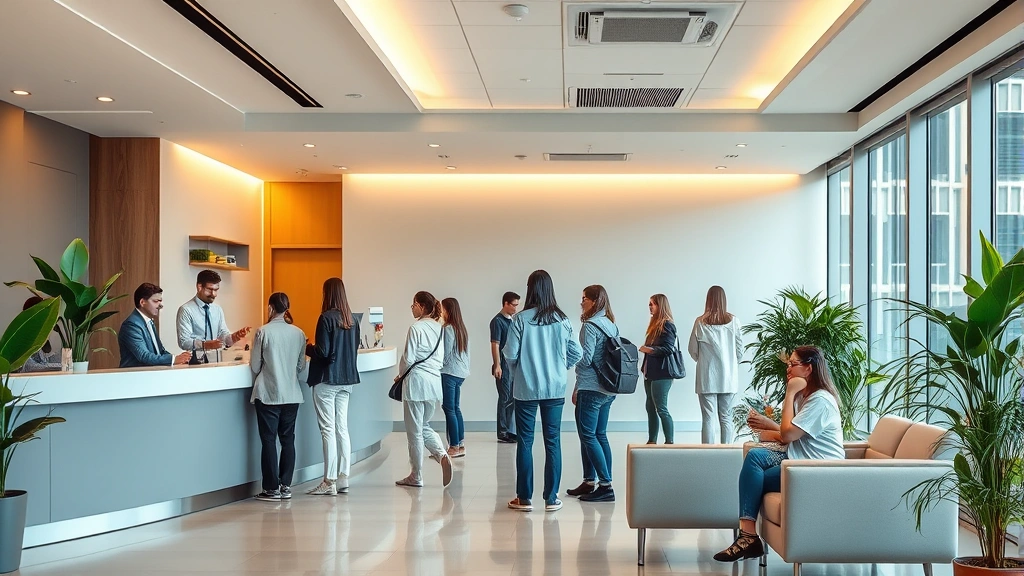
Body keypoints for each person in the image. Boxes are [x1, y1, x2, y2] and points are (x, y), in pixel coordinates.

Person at [713, 345, 845, 562]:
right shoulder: (808, 396)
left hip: (819, 469)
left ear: (809, 368)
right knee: (755, 458)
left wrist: (790, 392)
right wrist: (773, 428)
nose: (788, 369)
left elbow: (788, 434)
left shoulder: (819, 400)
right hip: (799, 460)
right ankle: (748, 537)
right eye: (788, 365)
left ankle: (747, 538)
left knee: (755, 475)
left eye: (793, 364)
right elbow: (793, 433)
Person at [503, 270, 582, 513]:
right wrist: (560, 366)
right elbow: (577, 353)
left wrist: (521, 369)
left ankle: (524, 498)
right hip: (555, 389)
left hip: (526, 388)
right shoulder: (563, 320)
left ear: (530, 289)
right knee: (553, 442)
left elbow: (509, 353)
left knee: (525, 442)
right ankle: (551, 498)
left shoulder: (520, 319)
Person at [249, 293, 307, 502]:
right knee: (288, 440)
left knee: (269, 441)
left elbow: (255, 366)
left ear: (270, 308)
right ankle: (286, 486)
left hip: (269, 394)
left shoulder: (263, 332)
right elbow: (301, 366)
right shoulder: (299, 333)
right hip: (292, 394)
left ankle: (271, 489)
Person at [306, 278, 361, 496]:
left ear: (326, 293)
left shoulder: (326, 318)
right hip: (346, 380)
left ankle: (329, 481)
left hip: (327, 380)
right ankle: (344, 477)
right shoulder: (353, 320)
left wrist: (306, 347)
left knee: (328, 429)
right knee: (342, 428)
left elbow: (323, 352)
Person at [395, 291, 453, 489]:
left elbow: (408, 358)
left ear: (421, 306)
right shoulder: (439, 328)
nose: (412, 308)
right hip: (434, 384)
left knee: (414, 432)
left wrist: (400, 374)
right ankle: (441, 454)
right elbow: (441, 357)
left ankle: (416, 475)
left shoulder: (415, 328)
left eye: (413, 304)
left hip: (416, 384)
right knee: (422, 425)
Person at [568, 285, 618, 503]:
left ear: (594, 301)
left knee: (588, 435)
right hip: (608, 388)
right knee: (599, 435)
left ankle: (605, 486)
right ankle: (590, 481)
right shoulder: (610, 325)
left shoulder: (589, 326)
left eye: (584, 299)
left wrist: (568, 356)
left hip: (590, 388)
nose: (581, 303)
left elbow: (586, 359)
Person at [688, 286, 743, 444]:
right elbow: (740, 351)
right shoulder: (734, 322)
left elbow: (692, 350)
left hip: (707, 377)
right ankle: (727, 452)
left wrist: (704, 361)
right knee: (726, 418)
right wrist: (730, 363)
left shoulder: (700, 322)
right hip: (729, 378)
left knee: (708, 418)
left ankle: (708, 454)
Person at [176, 269, 250, 363]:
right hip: (195, 365)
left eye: (216, 290)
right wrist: (206, 345)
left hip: (216, 363)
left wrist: (233, 338)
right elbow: (184, 342)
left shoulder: (217, 310)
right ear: (199, 287)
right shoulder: (186, 310)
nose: (214, 294)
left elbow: (223, 336)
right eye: (210, 289)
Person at [118, 284, 193, 368]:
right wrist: (174, 359)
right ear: (142, 302)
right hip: (134, 377)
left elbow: (160, 351)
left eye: (160, 301)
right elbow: (144, 356)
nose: (161, 305)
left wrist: (181, 359)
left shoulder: (149, 322)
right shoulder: (131, 325)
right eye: (156, 301)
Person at [638, 294, 678, 444]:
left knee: (661, 407)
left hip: (662, 373)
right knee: (650, 407)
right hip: (650, 372)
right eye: (649, 304)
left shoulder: (667, 325)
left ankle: (669, 441)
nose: (650, 307)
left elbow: (668, 349)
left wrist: (649, 350)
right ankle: (652, 441)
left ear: (660, 306)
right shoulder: (653, 325)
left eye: (652, 304)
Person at [440, 297, 470, 459]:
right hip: (460, 373)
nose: (441, 312)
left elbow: (445, 353)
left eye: (442, 309)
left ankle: (454, 446)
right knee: (455, 408)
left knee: (449, 408)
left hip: (449, 372)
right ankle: (460, 443)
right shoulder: (461, 328)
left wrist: (437, 366)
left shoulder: (448, 328)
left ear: (448, 310)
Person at [490, 291, 520, 443]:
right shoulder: (497, 321)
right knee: (504, 397)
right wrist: (497, 365)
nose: (516, 308)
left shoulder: (512, 321)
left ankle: (510, 429)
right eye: (514, 305)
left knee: (512, 398)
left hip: (512, 365)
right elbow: (495, 344)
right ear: (506, 304)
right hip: (503, 364)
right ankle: (503, 431)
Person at [16, 297, 62, 373]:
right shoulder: (23, 336)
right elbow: (29, 367)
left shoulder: (39, 334)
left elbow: (45, 360)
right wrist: (62, 366)